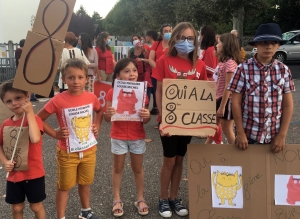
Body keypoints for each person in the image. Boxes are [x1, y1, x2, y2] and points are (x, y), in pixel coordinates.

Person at [152, 22, 207, 218]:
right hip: (169, 120)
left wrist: (205, 123)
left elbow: (203, 94)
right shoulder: (163, 61)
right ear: (174, 39)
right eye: (182, 38)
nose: (186, 42)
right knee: (169, 160)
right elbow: (158, 90)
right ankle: (163, 198)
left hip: (189, 122)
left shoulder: (199, 64)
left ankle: (174, 197)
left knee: (180, 159)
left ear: (196, 40)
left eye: (190, 38)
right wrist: (162, 118)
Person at [37, 59, 103, 219]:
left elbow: (99, 111)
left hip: (89, 150)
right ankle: (61, 216)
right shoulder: (58, 100)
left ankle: (85, 211)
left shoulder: (91, 97)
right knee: (64, 186)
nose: (76, 81)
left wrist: (97, 126)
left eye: (80, 77)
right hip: (67, 152)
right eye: (71, 77)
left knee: (85, 183)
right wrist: (55, 133)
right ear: (64, 79)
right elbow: (38, 118)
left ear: (86, 79)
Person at [228, 23, 295, 152]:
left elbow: (288, 105)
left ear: (278, 45)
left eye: (273, 43)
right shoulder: (243, 69)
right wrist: (240, 133)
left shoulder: (284, 71)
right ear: (256, 45)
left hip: (274, 136)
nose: (269, 46)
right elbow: (235, 102)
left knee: (271, 171)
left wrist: (282, 135)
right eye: (264, 42)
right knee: (248, 170)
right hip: (248, 136)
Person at [104, 58, 151, 217]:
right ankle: (116, 198)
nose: (132, 74)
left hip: (137, 135)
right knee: (118, 168)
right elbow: (107, 118)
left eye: (134, 70)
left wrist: (147, 115)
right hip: (118, 135)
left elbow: (145, 120)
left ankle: (140, 198)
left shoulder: (143, 92)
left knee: (138, 168)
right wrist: (108, 113)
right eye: (126, 71)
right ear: (117, 76)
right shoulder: (112, 92)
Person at [0, 79, 46, 219]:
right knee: (17, 207)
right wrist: (4, 161)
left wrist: (30, 113)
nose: (14, 103)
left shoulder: (34, 119)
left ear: (27, 96)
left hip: (34, 173)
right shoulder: (5, 124)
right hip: (14, 174)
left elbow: (35, 138)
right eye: (8, 101)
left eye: (18, 98)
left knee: (36, 206)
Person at [215, 33, 240, 144]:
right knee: (214, 126)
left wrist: (222, 106)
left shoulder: (230, 63)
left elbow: (228, 86)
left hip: (226, 100)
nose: (216, 44)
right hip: (220, 98)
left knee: (227, 129)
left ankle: (236, 153)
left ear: (225, 45)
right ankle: (206, 149)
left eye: (219, 42)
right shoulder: (223, 62)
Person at [199, 26, 223, 144]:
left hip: (209, 84)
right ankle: (213, 138)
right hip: (210, 83)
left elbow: (211, 68)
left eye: (200, 34)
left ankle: (217, 139)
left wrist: (198, 66)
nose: (199, 37)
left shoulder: (209, 50)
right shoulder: (208, 49)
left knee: (212, 115)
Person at [149, 24, 172, 126]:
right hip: (157, 75)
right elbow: (150, 59)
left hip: (170, 75)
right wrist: (158, 69)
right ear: (161, 33)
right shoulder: (157, 44)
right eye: (165, 31)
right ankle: (161, 118)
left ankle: (170, 119)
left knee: (169, 97)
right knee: (159, 95)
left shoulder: (174, 44)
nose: (168, 33)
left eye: (169, 30)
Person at [145, 30, 159, 110]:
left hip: (151, 71)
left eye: (147, 36)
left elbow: (152, 60)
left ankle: (147, 107)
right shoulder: (153, 46)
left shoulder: (154, 46)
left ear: (150, 36)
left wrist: (143, 59)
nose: (146, 37)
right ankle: (155, 107)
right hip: (151, 70)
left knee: (150, 90)